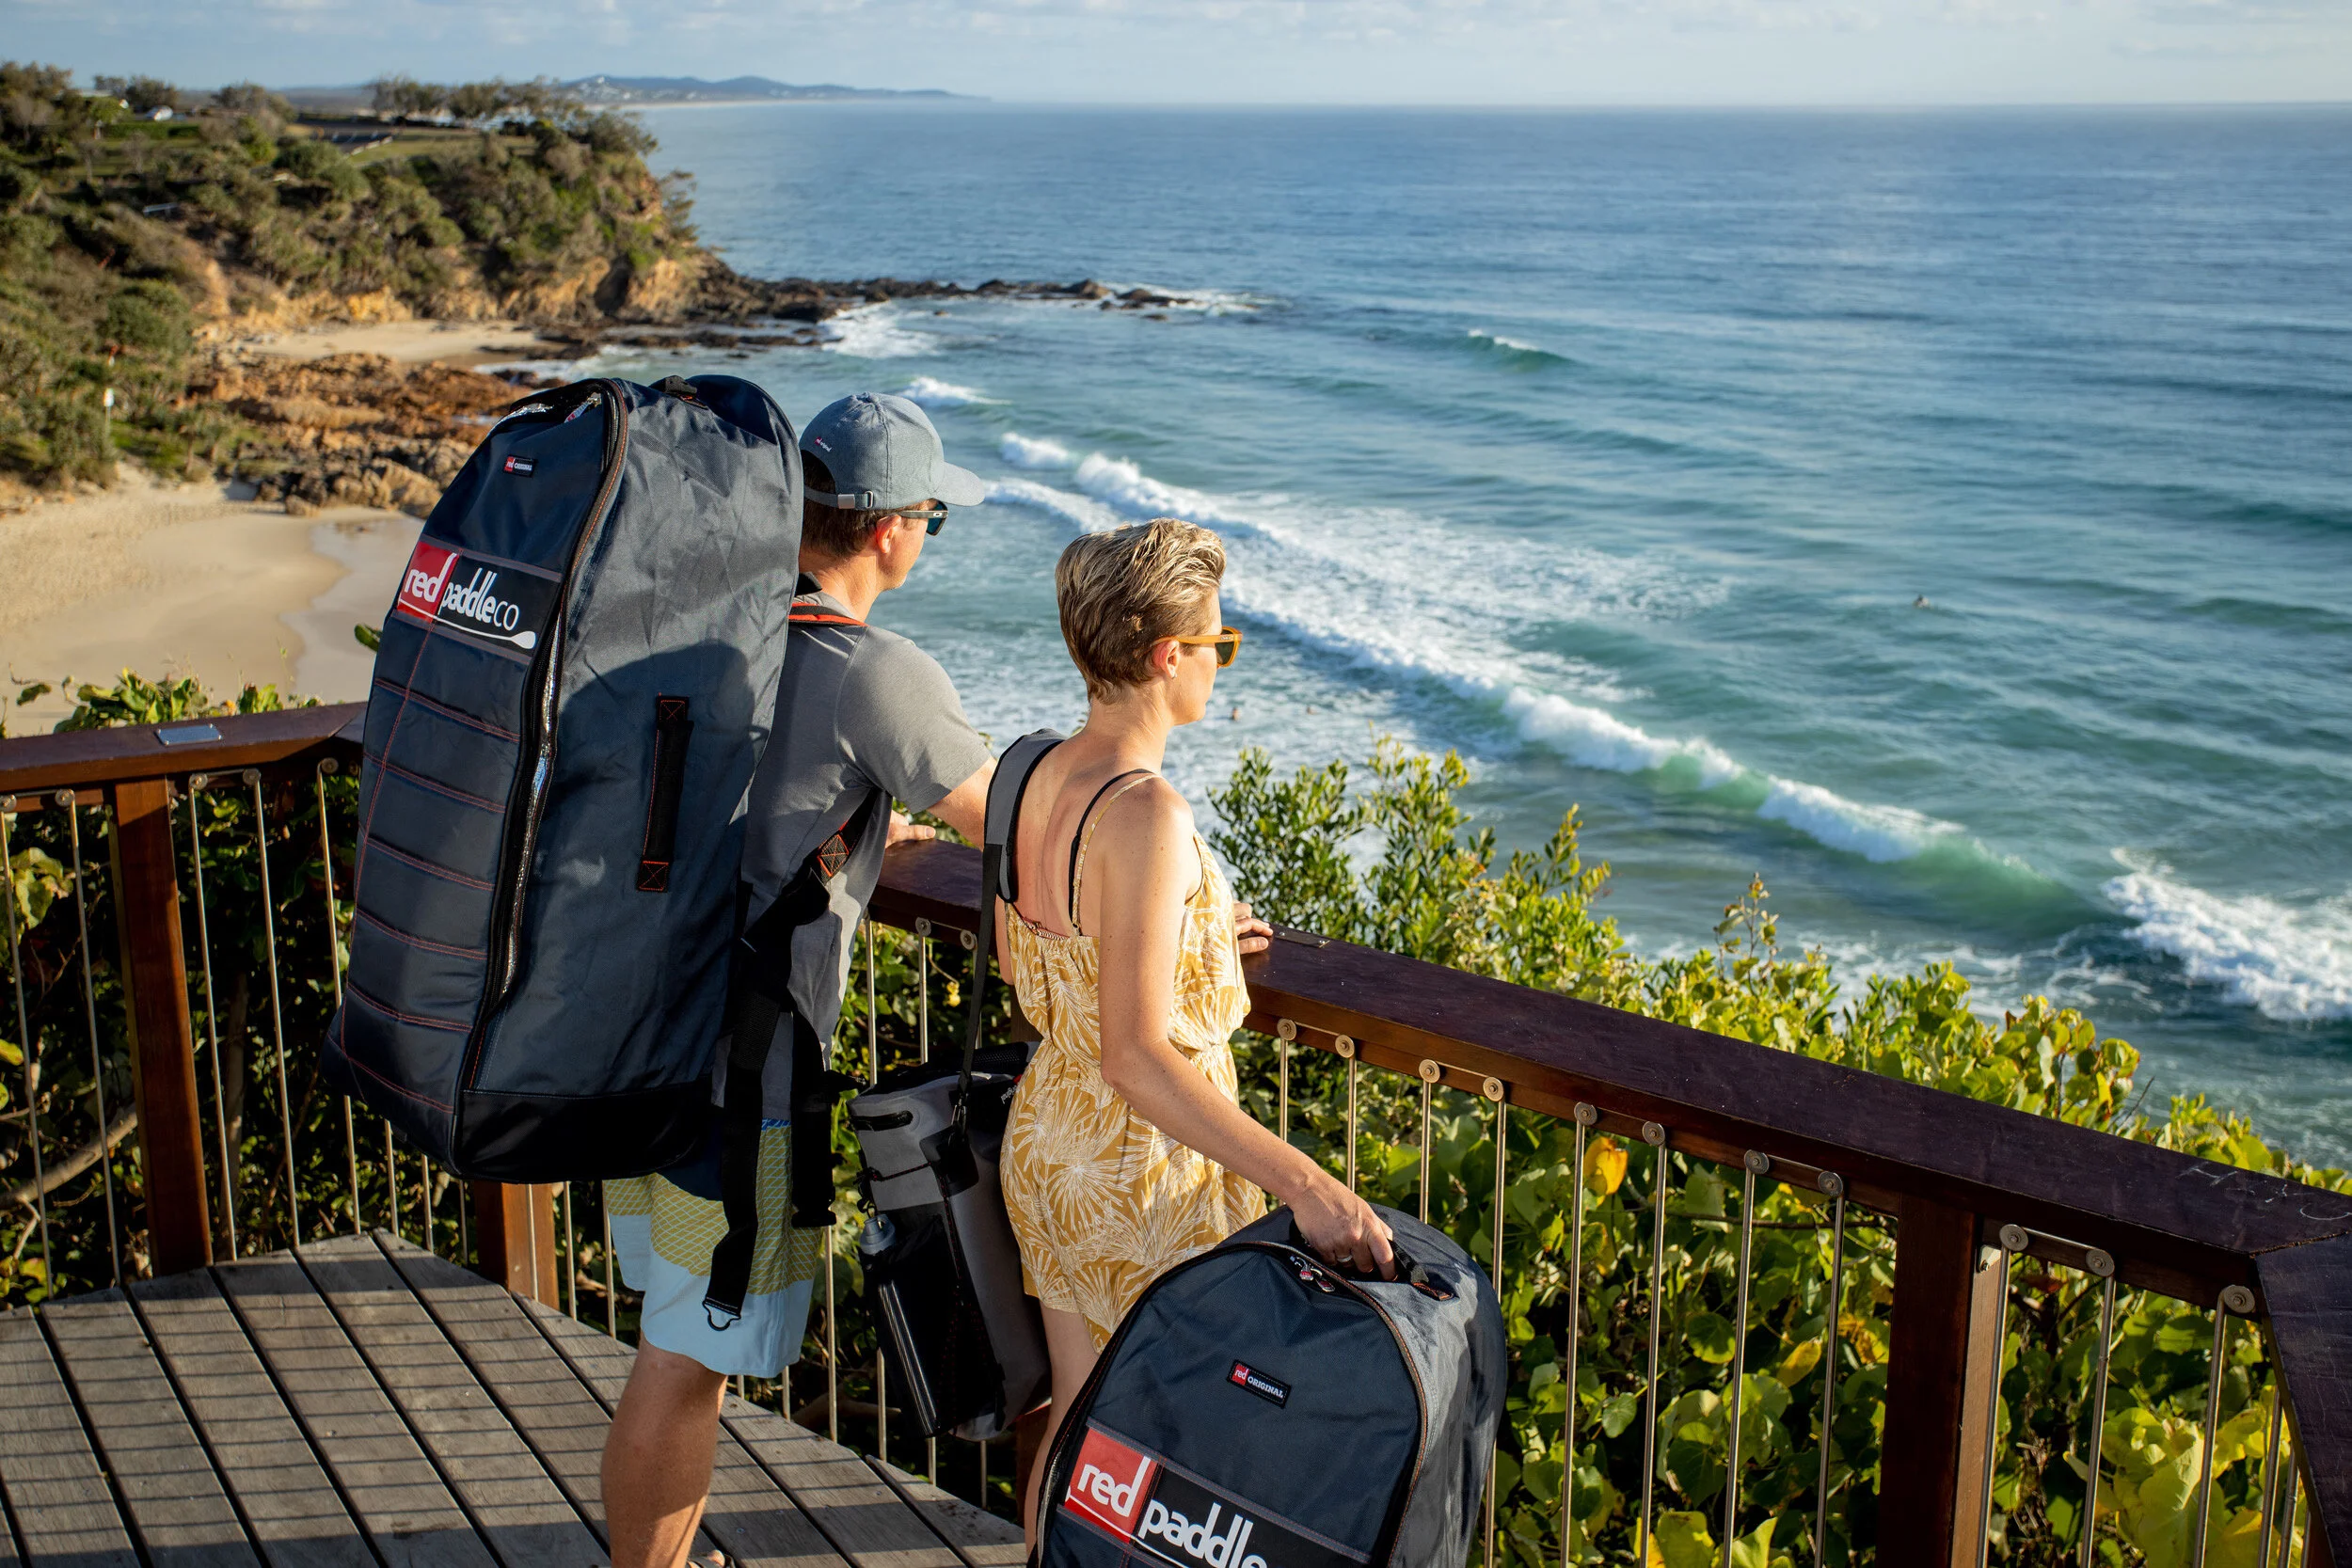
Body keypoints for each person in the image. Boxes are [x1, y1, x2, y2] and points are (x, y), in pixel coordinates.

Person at [599, 392, 995, 1568]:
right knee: (685, 1361)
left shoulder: (717, 624)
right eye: (932, 514)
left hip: (651, 1038)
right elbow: (1018, 823)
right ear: (888, 532)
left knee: (678, 1345)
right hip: (747, 1086)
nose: (928, 533)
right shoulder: (875, 670)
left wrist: (865, 824)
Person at [997, 516, 1394, 1538]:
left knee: (1084, 1421)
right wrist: (1310, 1184)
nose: (1220, 663)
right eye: (1217, 643)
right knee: (1169, 1458)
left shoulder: (1027, 769)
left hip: (1052, 1136)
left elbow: (1032, 963)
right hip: (1142, 1170)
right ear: (1167, 655)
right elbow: (1137, 1053)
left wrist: (1197, 928)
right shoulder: (1147, 813)